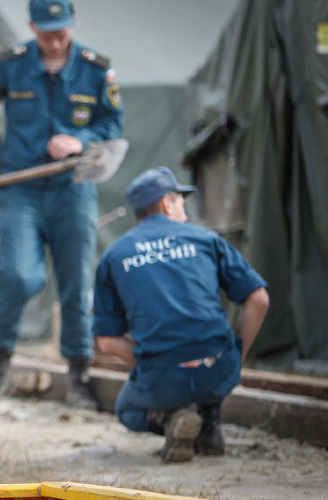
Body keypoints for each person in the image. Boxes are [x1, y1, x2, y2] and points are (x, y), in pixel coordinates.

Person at [0, 0, 123, 415]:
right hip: (21, 190)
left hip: (74, 190)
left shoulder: (95, 68)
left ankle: (79, 380)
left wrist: (80, 139)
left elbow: (113, 124)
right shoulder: (9, 64)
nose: (54, 43)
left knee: (74, 287)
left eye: (62, 34)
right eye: (46, 34)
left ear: (73, 25)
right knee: (18, 275)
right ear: (32, 27)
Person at [93, 166, 269, 463]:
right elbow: (259, 300)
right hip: (219, 367)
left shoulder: (114, 255)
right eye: (180, 201)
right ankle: (209, 425)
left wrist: (156, 360)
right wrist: (236, 356)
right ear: (166, 203)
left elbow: (107, 343)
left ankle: (171, 420)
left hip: (162, 376)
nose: (184, 210)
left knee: (127, 409)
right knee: (207, 358)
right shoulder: (206, 240)